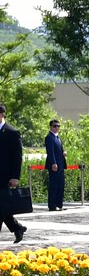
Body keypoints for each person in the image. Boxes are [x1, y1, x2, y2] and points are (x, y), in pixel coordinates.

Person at [0, 104, 25, 242]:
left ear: (3, 114)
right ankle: (17, 228)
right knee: (2, 207)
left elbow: (17, 157)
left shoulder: (11, 132)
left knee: (1, 206)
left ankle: (17, 228)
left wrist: (15, 176)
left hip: (4, 177)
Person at [44, 119, 66, 211]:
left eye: (58, 126)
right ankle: (52, 205)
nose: (56, 128)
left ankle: (59, 204)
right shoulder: (49, 137)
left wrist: (63, 153)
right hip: (54, 165)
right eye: (54, 126)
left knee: (60, 185)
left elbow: (58, 150)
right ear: (50, 127)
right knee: (54, 186)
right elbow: (50, 152)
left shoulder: (58, 138)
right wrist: (53, 163)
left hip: (60, 165)